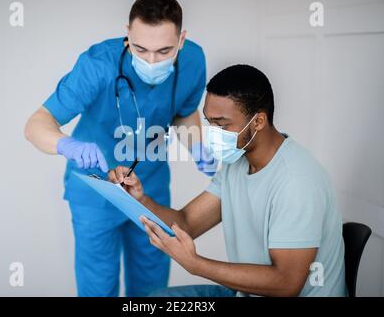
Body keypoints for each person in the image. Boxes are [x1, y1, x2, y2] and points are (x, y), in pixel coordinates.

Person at [24, 0, 217, 297]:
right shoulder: (97, 64)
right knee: (98, 288)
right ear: (127, 34)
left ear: (181, 40)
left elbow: (183, 112)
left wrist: (197, 146)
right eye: (140, 49)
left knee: (152, 290)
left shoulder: (193, 60)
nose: (151, 61)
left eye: (164, 51)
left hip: (150, 190)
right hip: (95, 191)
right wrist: (67, 145)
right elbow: (37, 124)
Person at [109, 64, 348, 297]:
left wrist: (196, 265)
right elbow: (187, 223)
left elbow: (286, 283)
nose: (212, 133)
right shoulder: (237, 162)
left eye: (222, 124)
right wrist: (140, 199)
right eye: (209, 122)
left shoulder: (297, 181)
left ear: (258, 122)